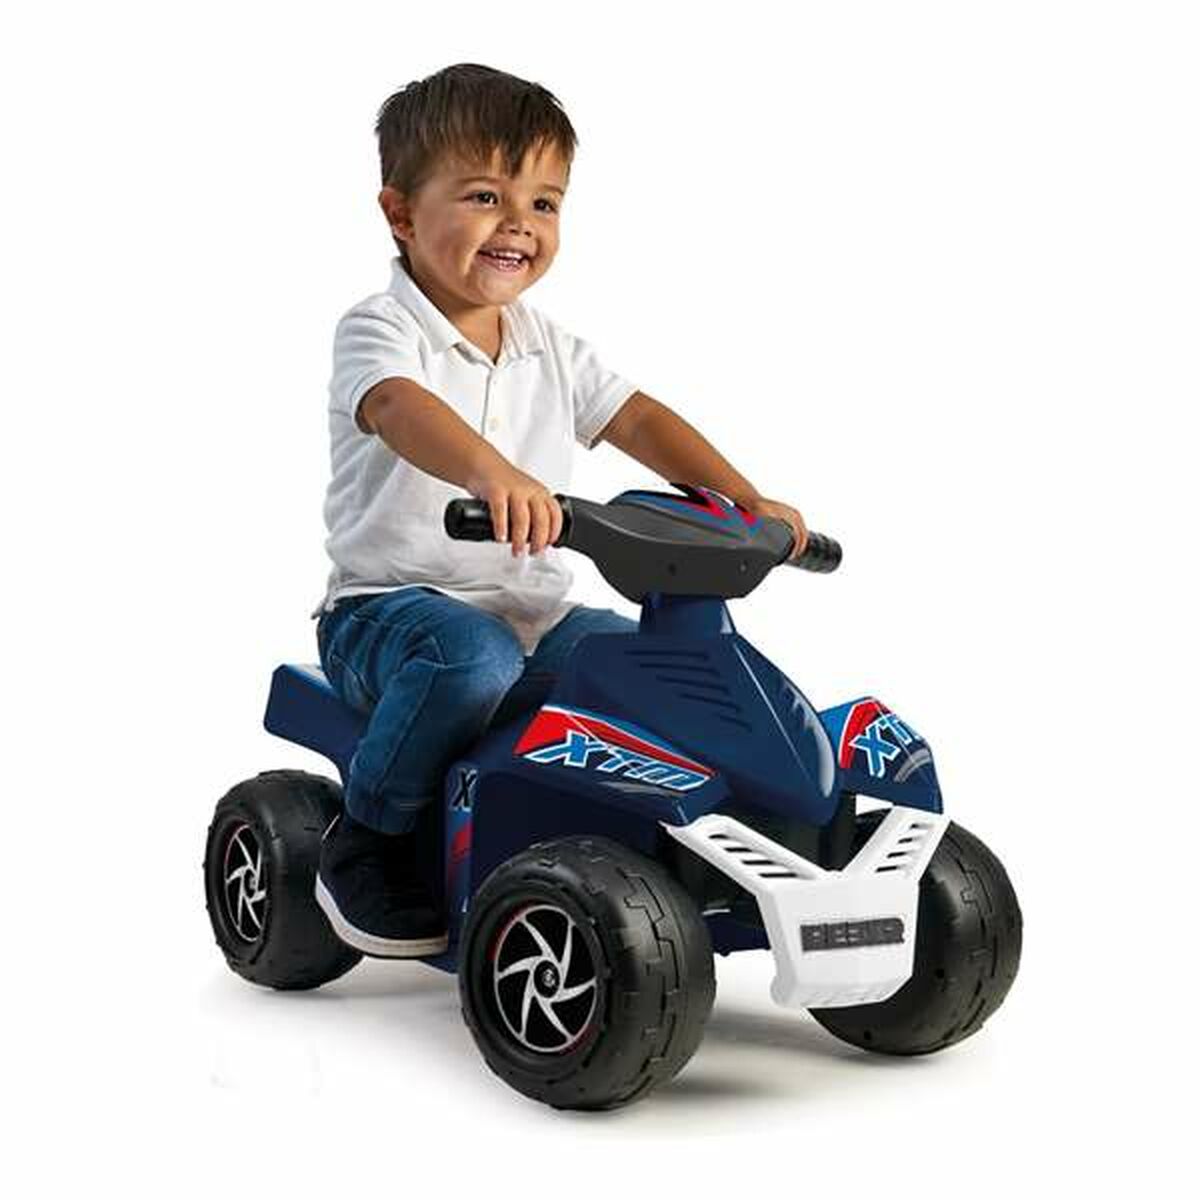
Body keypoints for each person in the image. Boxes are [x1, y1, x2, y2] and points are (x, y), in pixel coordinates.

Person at [313, 63, 809, 958]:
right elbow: (396, 406)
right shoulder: (381, 328)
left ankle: (665, 845)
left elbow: (637, 418)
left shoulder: (551, 346)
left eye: (543, 203)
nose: (519, 224)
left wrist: (740, 496)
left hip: (532, 615)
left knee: (645, 665)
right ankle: (370, 835)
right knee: (471, 659)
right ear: (401, 214)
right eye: (484, 196)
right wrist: (491, 473)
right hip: (388, 613)